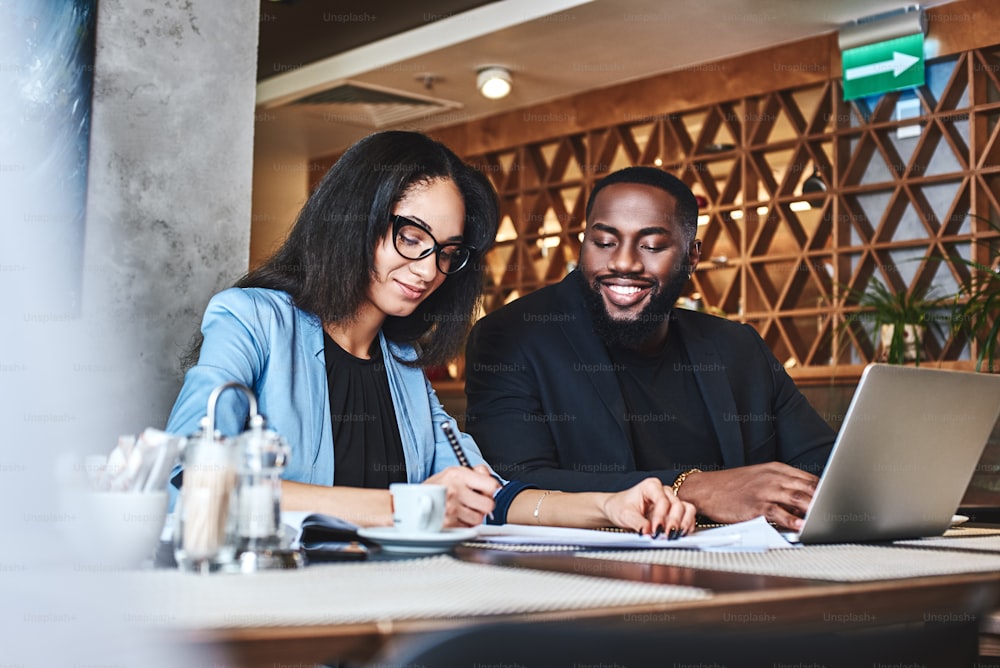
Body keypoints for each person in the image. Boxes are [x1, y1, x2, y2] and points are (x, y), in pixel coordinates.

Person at [166, 132, 694, 537]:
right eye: (410, 236)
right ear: (351, 220)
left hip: (400, 609)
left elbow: (492, 497)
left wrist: (608, 505)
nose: (427, 269)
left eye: (446, 251)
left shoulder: (403, 363)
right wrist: (410, 506)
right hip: (278, 613)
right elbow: (194, 482)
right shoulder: (253, 319)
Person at [464, 166, 836, 531]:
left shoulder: (739, 348)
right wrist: (695, 488)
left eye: (652, 245)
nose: (623, 262)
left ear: (692, 257)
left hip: (750, 570)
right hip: (587, 579)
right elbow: (511, 485)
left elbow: (826, 468)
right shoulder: (513, 337)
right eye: (604, 242)